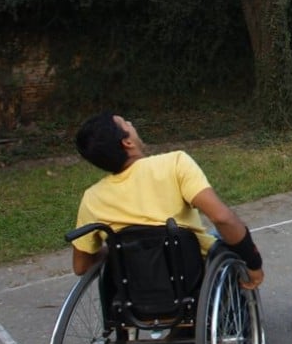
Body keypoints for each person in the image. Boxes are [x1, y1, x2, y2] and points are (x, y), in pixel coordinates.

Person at [72, 112, 264, 289]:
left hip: (136, 289)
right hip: (193, 275)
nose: (131, 123)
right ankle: (240, 319)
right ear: (127, 142)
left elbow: (81, 266)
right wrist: (253, 263)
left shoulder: (92, 198)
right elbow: (223, 218)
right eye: (126, 123)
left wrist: (115, 250)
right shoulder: (174, 164)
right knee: (223, 234)